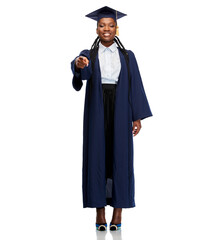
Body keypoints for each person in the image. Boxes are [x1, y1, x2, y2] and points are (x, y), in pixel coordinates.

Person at [71, 6, 152, 231]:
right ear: (96, 29)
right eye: (102, 25)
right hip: (97, 108)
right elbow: (81, 70)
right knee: (98, 157)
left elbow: (135, 85)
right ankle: (99, 214)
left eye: (111, 25)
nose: (106, 29)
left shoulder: (127, 56)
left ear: (117, 28)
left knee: (120, 157)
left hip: (121, 108)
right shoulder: (89, 54)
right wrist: (78, 65)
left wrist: (137, 117)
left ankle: (117, 214)